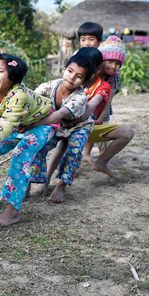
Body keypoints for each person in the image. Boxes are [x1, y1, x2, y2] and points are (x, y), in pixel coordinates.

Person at [0, 54, 54, 226]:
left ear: (13, 76)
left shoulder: (20, 95)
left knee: (20, 154)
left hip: (42, 126)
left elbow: (5, 125)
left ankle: (12, 211)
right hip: (19, 126)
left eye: (0, 71)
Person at [28, 51, 96, 202]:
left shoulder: (80, 97)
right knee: (38, 143)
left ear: (84, 81)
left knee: (75, 149)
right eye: (70, 71)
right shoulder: (48, 87)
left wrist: (34, 124)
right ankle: (30, 182)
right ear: (64, 68)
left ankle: (61, 185)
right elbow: (30, 102)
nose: (72, 77)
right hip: (56, 125)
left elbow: (59, 115)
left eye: (79, 76)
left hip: (78, 126)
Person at [83, 36, 135, 177]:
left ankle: (101, 159)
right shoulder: (89, 72)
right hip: (85, 105)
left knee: (99, 127)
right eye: (110, 61)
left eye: (118, 63)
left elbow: (109, 100)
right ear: (102, 60)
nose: (114, 66)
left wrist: (100, 119)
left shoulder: (114, 77)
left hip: (103, 105)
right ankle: (85, 155)